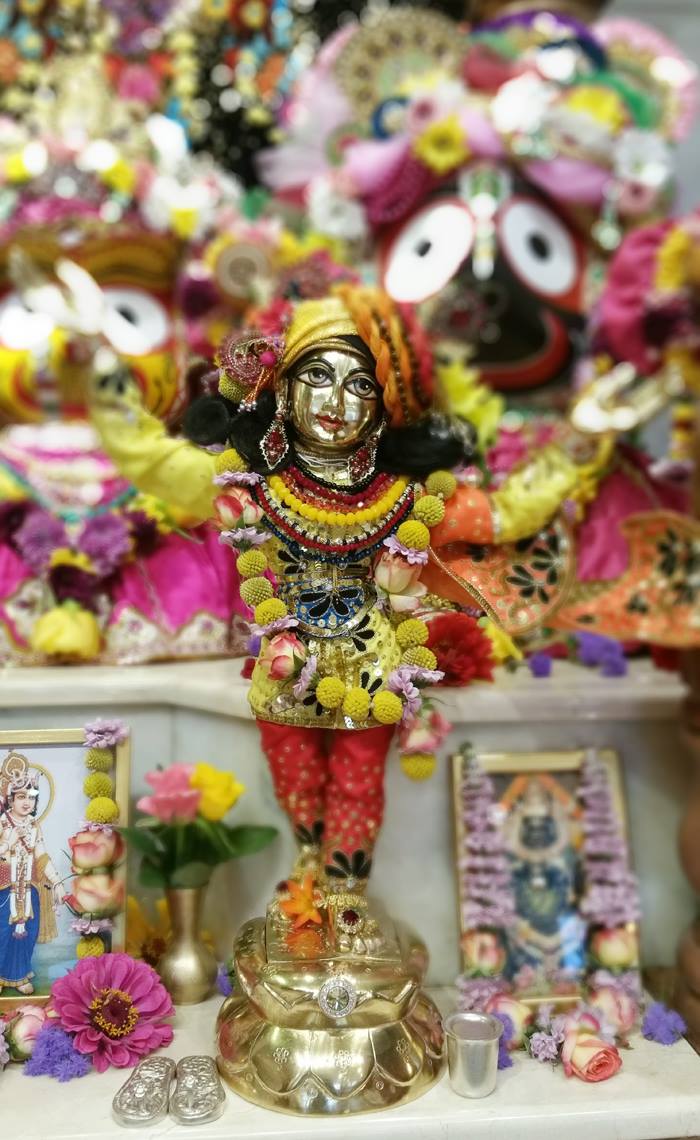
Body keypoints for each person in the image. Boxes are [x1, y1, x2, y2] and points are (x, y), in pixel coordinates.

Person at [0, 752, 64, 994]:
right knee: (2, 933)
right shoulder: (2, 823)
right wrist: (7, 844)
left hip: (29, 889)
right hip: (4, 889)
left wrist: (57, 882)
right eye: (21, 796)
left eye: (32, 797)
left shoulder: (34, 826)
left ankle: (17, 976)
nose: (27, 802)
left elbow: (42, 856)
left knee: (27, 933)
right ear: (10, 799)